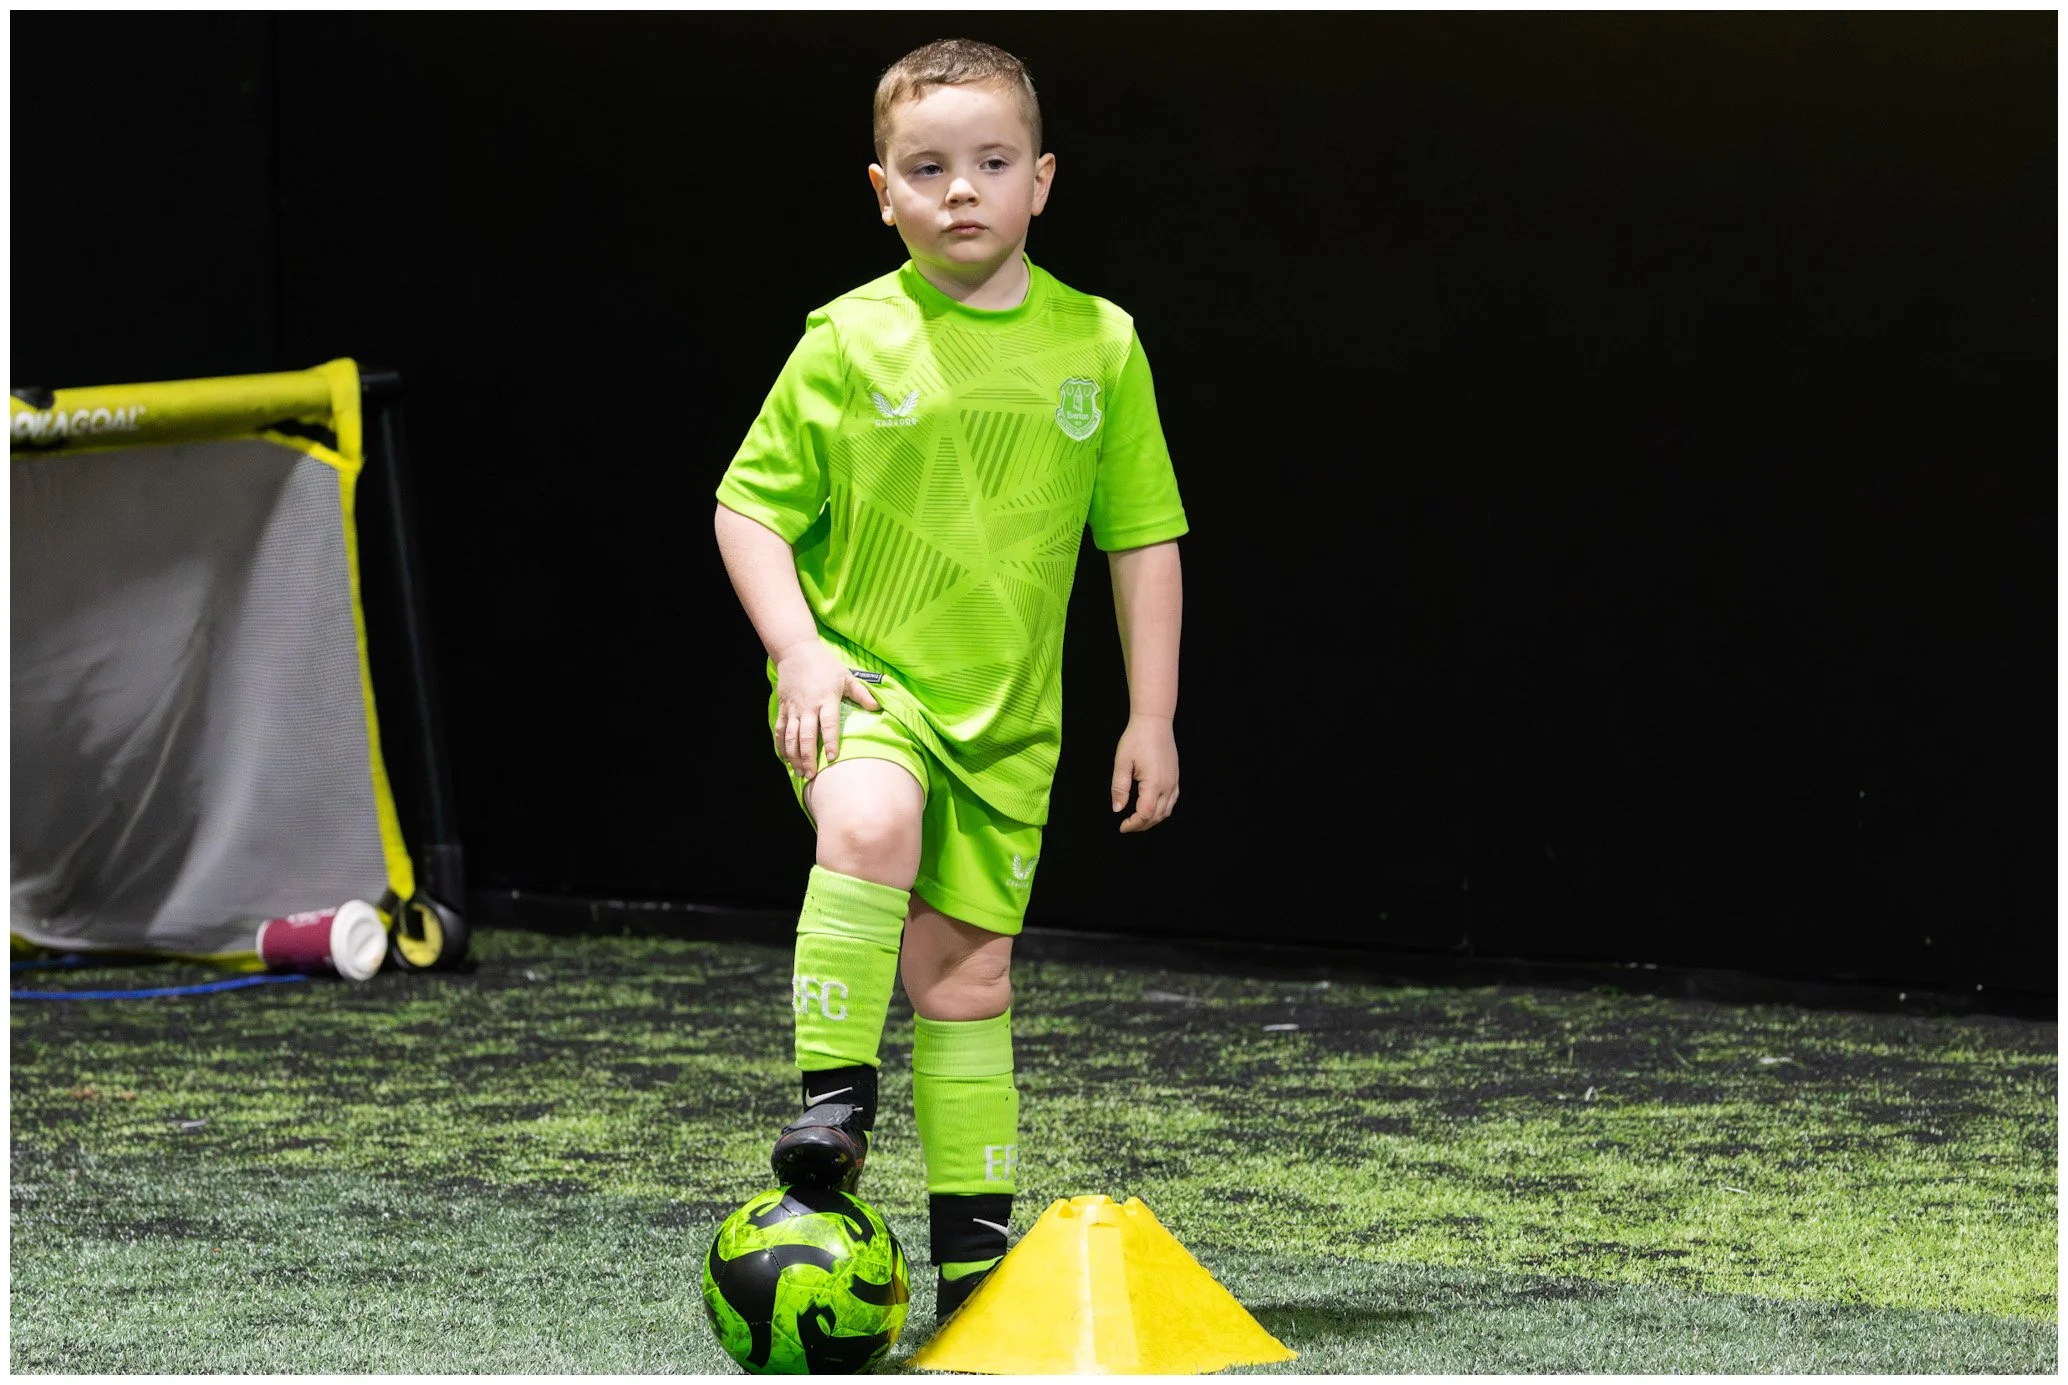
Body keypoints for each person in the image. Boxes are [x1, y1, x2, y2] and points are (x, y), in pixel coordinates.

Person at [712, 36, 1187, 1323]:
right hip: (862, 686)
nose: (960, 190)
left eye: (989, 163)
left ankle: (975, 1271)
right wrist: (798, 647)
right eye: (928, 168)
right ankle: (831, 1109)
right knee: (870, 820)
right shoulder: (847, 339)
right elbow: (745, 509)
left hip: (1009, 722)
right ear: (883, 191)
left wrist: (1151, 712)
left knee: (967, 983)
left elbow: (1140, 537)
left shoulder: (1101, 341)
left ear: (1042, 180)